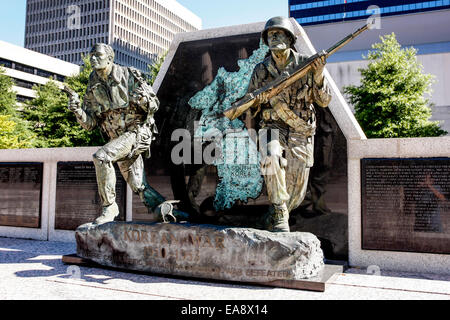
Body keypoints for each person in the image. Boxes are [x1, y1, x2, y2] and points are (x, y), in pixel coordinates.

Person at [247, 17, 332, 232]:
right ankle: (279, 213)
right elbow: (248, 105)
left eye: (279, 33)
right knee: (271, 158)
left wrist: (319, 73)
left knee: (296, 193)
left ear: (290, 38)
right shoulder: (261, 70)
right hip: (272, 127)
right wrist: (256, 108)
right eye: (270, 34)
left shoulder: (307, 64)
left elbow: (323, 101)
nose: (274, 37)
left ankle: (277, 212)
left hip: (300, 130)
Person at [67, 43, 162, 224]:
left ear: (109, 58)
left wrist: (142, 100)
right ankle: (168, 210)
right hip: (117, 138)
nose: (93, 58)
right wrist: (78, 110)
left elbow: (154, 104)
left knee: (102, 157)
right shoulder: (92, 85)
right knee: (139, 186)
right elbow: (91, 124)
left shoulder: (128, 74)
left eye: (98, 55)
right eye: (91, 55)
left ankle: (109, 207)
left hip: (137, 132)